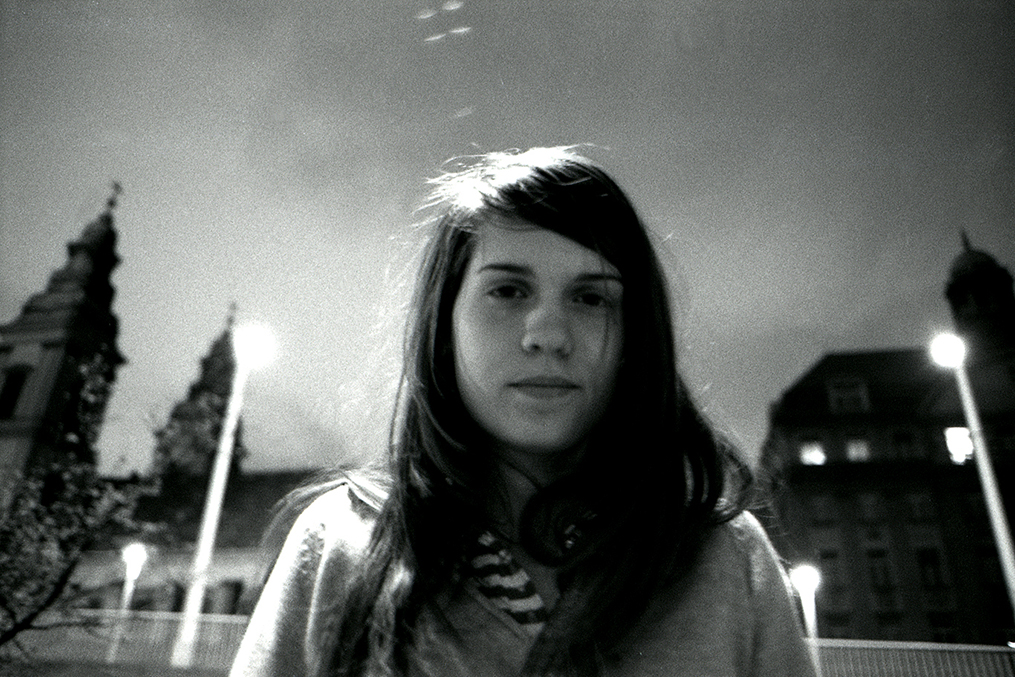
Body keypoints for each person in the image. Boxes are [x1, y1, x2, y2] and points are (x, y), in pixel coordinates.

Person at [230, 146, 818, 677]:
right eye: (508, 291)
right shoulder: (337, 543)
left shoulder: (727, 560)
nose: (549, 334)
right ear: (444, 325)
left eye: (591, 298)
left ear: (635, 338)